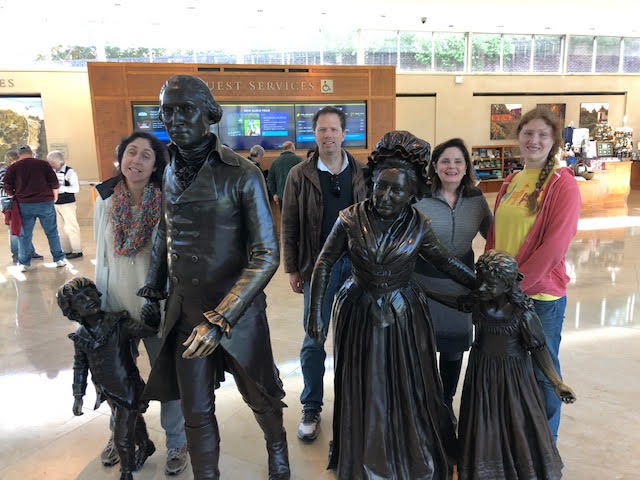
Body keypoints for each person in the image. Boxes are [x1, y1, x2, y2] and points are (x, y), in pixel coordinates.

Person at [137, 74, 289, 480]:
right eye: (167, 111)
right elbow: (165, 230)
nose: (175, 119)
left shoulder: (243, 173)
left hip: (238, 313)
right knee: (196, 409)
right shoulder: (170, 169)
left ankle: (277, 447)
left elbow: (266, 254)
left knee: (260, 395)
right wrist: (153, 289)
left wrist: (222, 318)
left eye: (185, 109)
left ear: (210, 114)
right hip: (186, 311)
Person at [307, 130, 476, 480]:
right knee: (365, 381)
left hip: (404, 312)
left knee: (405, 380)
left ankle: (406, 448)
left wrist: (482, 283)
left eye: (397, 190)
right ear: (371, 182)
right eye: (380, 187)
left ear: (412, 194)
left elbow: (445, 261)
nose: (385, 196)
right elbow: (324, 263)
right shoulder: (350, 218)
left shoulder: (418, 224)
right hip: (359, 309)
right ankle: (366, 453)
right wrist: (315, 313)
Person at [93, 131, 188, 475]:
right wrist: (99, 307)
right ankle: (120, 436)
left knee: (169, 376)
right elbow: (101, 256)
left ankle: (177, 441)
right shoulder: (105, 200)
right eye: (131, 152)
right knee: (117, 379)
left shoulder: (166, 201)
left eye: (146, 155)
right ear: (121, 158)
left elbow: (175, 260)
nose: (136, 160)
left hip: (156, 308)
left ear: (156, 165)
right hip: (114, 305)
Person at [485, 107, 580, 442]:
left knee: (543, 373)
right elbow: (495, 238)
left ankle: (544, 448)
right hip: (504, 294)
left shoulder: (562, 184)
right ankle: (515, 442)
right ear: (519, 137)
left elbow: (554, 247)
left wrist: (515, 287)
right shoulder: (511, 181)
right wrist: (490, 281)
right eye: (528, 133)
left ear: (554, 140)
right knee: (509, 370)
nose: (534, 140)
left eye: (542, 134)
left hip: (540, 297)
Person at [281, 106, 366, 441]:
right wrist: (292, 268)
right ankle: (311, 405)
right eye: (322, 129)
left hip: (356, 267)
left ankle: (352, 403)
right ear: (314, 134)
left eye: (333, 129)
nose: (328, 135)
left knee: (353, 337)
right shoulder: (299, 175)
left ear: (344, 134)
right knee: (314, 337)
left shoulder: (361, 172)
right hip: (317, 267)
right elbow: (288, 223)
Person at [457, 250, 576, 480]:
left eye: (490, 284)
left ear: (507, 284)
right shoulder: (480, 303)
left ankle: (519, 468)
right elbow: (455, 302)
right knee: (484, 421)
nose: (482, 288)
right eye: (480, 281)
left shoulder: (523, 315)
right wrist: (417, 290)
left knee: (516, 422)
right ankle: (484, 470)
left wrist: (556, 382)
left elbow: (539, 349)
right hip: (482, 372)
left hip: (513, 378)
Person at [413, 138, 492, 422]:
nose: (452, 166)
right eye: (445, 161)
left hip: (460, 290)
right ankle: (422, 407)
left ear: (466, 166)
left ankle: (446, 405)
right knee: (421, 351)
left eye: (458, 161)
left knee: (453, 351)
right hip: (422, 287)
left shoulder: (476, 199)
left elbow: (493, 235)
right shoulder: (419, 198)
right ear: (434, 166)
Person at [57, 277, 158, 480]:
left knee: (122, 437)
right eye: (80, 299)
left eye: (90, 293)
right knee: (131, 421)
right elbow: (80, 367)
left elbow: (145, 331)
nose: (88, 299)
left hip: (128, 388)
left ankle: (126, 473)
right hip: (107, 391)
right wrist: (78, 395)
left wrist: (151, 320)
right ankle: (145, 445)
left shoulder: (118, 322)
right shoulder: (81, 336)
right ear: (72, 310)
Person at [2, 144, 65, 271]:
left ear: (19, 155)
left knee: (24, 235)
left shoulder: (14, 167)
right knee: (52, 232)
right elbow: (54, 183)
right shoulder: (43, 164)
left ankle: (24, 263)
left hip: (24, 204)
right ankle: (58, 259)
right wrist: (55, 197)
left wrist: (15, 195)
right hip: (45, 203)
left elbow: (6, 185)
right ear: (31, 153)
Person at [1, 150, 41, 263]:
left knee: (24, 227)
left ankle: (29, 252)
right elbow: (3, 190)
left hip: (18, 201)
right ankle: (17, 254)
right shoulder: (4, 172)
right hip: (9, 203)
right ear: (12, 160)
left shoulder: (15, 170)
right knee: (14, 229)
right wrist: (16, 192)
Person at [47, 150, 83, 259]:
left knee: (72, 227)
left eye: (51, 162)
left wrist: (60, 188)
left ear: (58, 161)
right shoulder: (51, 172)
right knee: (60, 228)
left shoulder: (70, 172)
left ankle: (77, 250)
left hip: (68, 204)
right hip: (55, 203)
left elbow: (76, 189)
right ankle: (66, 250)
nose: (50, 164)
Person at [267, 141, 302, 207]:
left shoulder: (275, 162)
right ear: (292, 148)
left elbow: (270, 180)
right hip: (297, 195)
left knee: (283, 213)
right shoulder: (299, 160)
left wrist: (274, 193)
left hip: (281, 195)